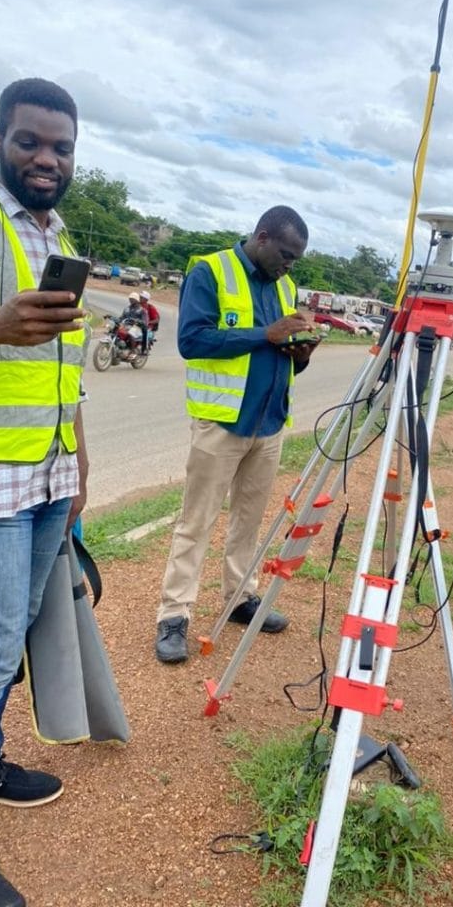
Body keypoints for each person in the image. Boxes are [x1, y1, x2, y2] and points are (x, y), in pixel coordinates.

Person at [0, 78, 88, 906]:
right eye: (30, 142)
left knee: (3, 647)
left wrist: (82, 464)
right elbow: (6, 341)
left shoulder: (60, 233)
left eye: (62, 148)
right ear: (1, 139)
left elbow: (65, 371)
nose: (46, 159)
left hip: (49, 473)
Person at [154, 206, 316, 664]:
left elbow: (280, 348)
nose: (290, 264)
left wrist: (299, 352)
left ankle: (242, 597)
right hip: (220, 425)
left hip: (269, 423)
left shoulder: (285, 285)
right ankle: (174, 616)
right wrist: (267, 333)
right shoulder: (210, 271)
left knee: (249, 519)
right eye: (285, 253)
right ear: (261, 237)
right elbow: (193, 340)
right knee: (196, 522)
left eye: (296, 258)